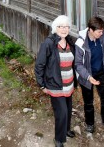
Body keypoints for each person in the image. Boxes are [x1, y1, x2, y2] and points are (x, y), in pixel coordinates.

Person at [75, 16, 104, 133]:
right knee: (88, 101)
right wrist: (88, 77)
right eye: (99, 31)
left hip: (100, 72)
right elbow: (78, 64)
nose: (102, 33)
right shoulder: (80, 42)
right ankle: (90, 124)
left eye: (102, 31)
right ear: (90, 30)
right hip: (87, 75)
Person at [35, 15, 76, 147]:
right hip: (55, 84)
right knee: (62, 112)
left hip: (69, 84)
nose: (64, 29)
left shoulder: (70, 42)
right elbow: (39, 65)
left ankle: (67, 129)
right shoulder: (49, 43)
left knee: (68, 109)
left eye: (66, 26)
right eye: (61, 26)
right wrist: (41, 84)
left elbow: (74, 62)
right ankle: (59, 139)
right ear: (55, 28)